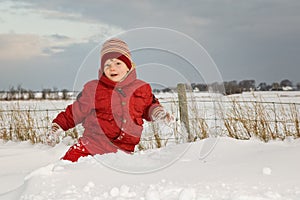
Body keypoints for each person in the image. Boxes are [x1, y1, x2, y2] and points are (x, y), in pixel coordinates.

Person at [49, 38, 173, 162]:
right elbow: (75, 112)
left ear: (128, 66)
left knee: (114, 178)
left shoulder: (141, 88)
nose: (112, 68)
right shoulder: (95, 89)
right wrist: (58, 126)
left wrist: (158, 113)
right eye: (107, 64)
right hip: (92, 145)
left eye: (118, 63)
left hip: (124, 150)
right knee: (67, 165)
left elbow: (149, 106)